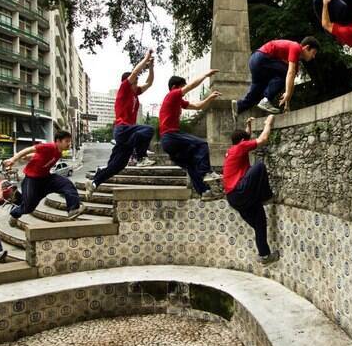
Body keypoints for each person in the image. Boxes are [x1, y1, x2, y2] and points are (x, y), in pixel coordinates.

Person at [85, 50, 156, 198]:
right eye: (135, 83)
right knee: (148, 130)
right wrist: (145, 59)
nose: (137, 85)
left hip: (127, 133)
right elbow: (136, 72)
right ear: (128, 82)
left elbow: (149, 83)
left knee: (118, 165)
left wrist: (151, 67)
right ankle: (141, 157)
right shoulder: (124, 89)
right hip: (122, 129)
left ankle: (94, 182)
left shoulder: (135, 93)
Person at [224, 115, 279, 265]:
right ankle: (266, 196)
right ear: (242, 142)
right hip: (239, 191)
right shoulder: (241, 147)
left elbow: (245, 139)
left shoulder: (233, 150)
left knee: (260, 223)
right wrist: (268, 123)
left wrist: (248, 126)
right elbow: (262, 140)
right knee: (259, 165)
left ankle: (265, 256)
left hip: (233, 198)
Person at [159, 70, 223, 199]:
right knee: (202, 144)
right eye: (182, 87)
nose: (183, 91)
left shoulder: (178, 101)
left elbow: (197, 106)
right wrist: (205, 75)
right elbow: (191, 86)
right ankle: (207, 172)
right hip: (171, 136)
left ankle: (205, 192)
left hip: (167, 142)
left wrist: (209, 98)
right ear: (174, 87)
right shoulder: (172, 95)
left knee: (191, 164)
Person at [3, 130, 84, 227]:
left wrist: (29, 157)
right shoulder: (49, 146)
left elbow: (40, 155)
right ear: (58, 141)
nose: (69, 144)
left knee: (66, 184)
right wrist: (13, 159)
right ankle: (14, 214)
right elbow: (29, 149)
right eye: (66, 141)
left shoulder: (59, 153)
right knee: (29, 207)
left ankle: (73, 209)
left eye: (69, 141)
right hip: (31, 180)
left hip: (46, 179)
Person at [230, 37, 319, 119]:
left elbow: (291, 83)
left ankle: (238, 107)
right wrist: (287, 92)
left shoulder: (295, 63)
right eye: (313, 53)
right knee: (286, 72)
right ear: (306, 47)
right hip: (262, 57)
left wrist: (287, 105)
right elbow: (290, 73)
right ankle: (266, 99)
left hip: (255, 62)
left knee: (256, 94)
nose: (313, 57)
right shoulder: (296, 47)